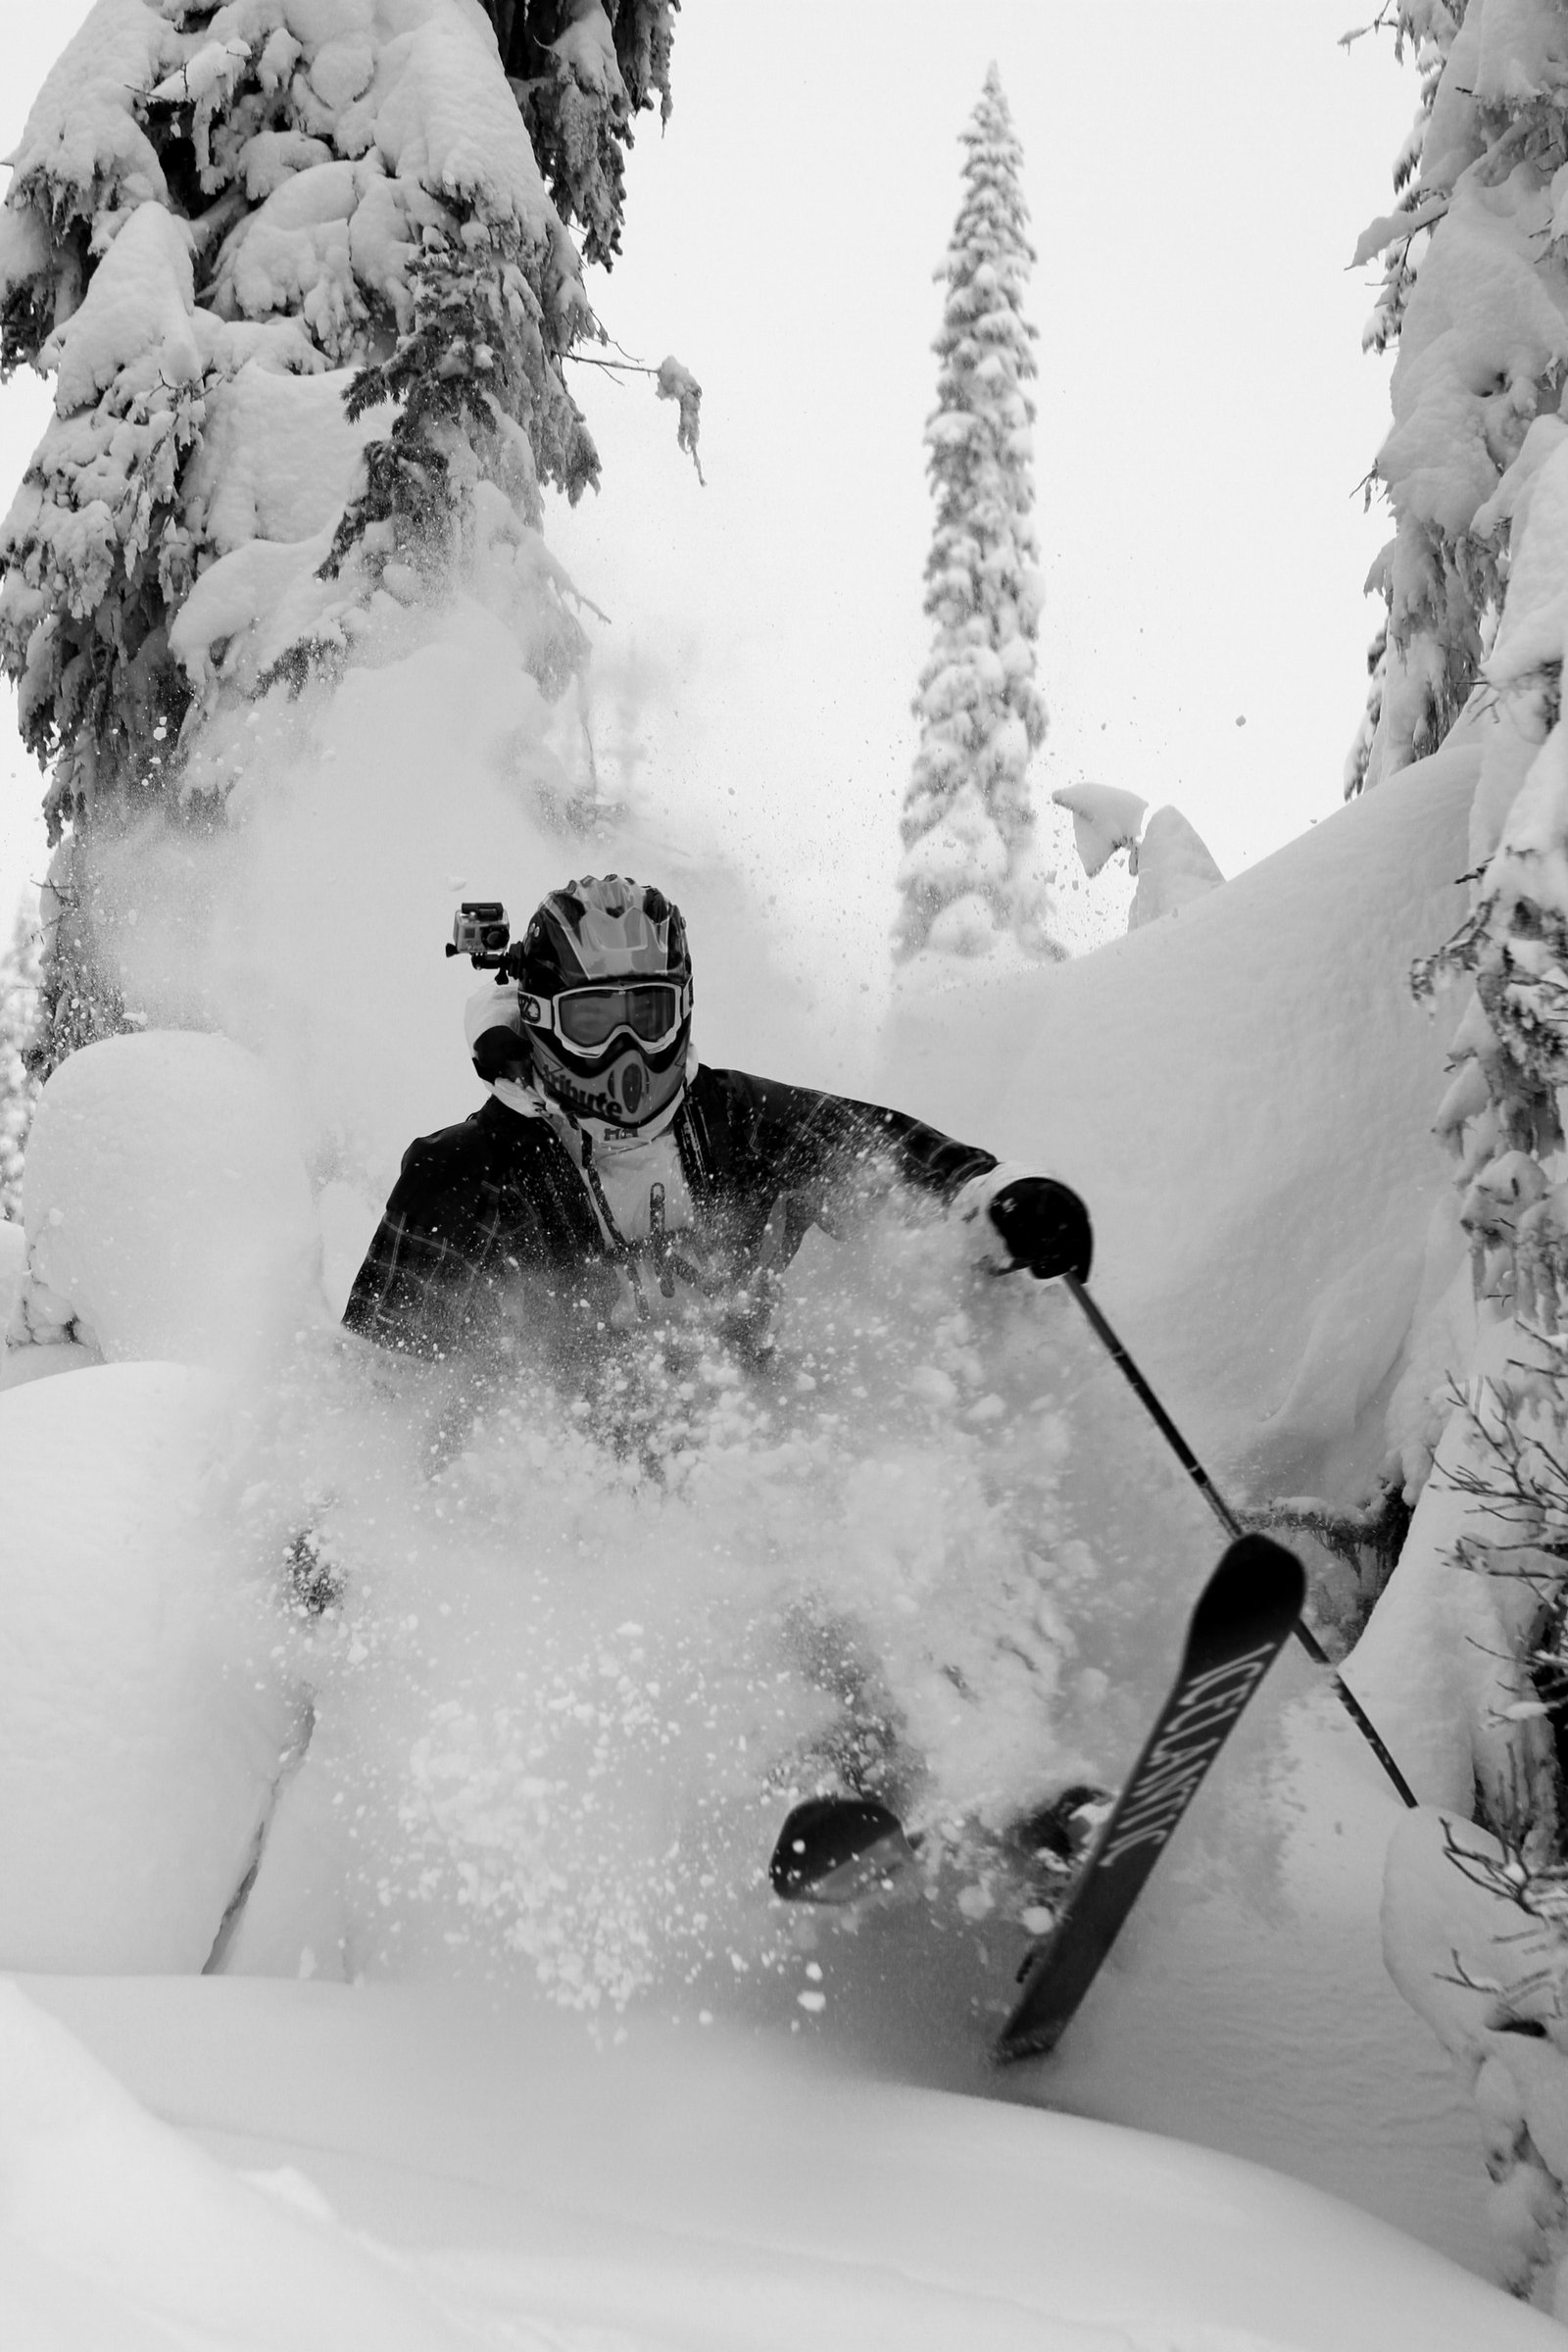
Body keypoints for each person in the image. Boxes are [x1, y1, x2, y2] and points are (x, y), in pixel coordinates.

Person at [343, 873, 1091, 1370]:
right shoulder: (465, 1177)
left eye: (649, 1014)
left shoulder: (740, 1125)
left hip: (748, 1480)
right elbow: (383, 1394)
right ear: (538, 1019)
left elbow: (885, 1158)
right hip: (553, 1528)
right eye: (595, 1020)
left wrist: (995, 1201)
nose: (627, 1053)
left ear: (685, 1007)